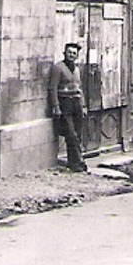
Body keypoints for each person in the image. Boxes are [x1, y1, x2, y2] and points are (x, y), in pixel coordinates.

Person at [48, 41, 89, 172]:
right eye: (69, 52)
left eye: (74, 53)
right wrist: (56, 106)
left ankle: (72, 163)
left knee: (77, 134)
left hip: (76, 103)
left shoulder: (76, 69)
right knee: (70, 133)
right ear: (64, 53)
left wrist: (83, 106)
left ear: (77, 56)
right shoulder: (58, 68)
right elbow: (52, 88)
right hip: (64, 102)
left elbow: (79, 88)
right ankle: (79, 162)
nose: (71, 55)